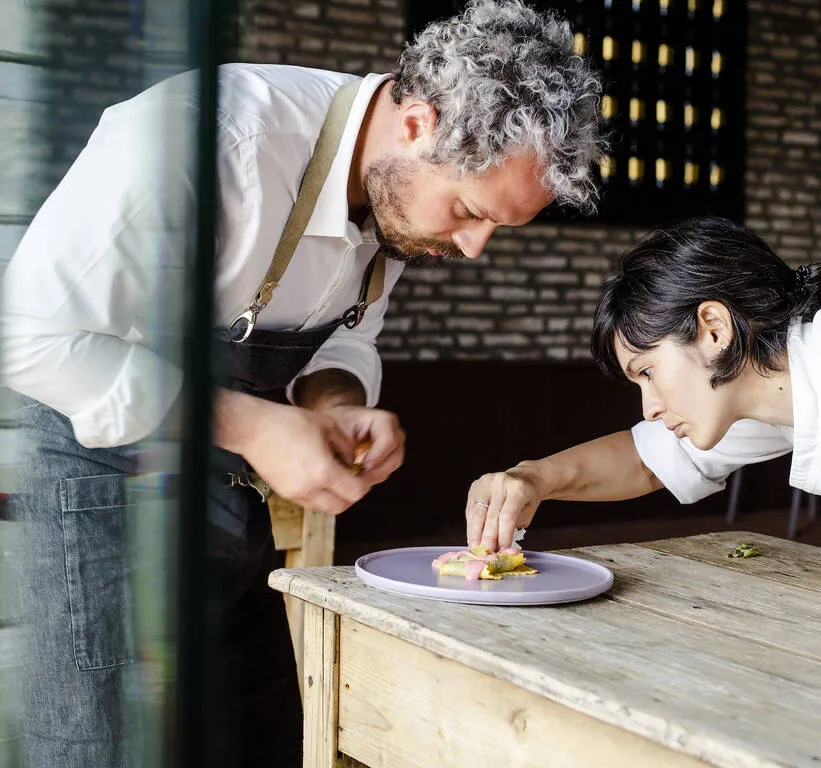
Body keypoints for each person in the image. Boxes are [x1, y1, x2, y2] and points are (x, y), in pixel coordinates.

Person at [0, 1, 604, 765]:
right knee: (98, 745)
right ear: (416, 123)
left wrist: (337, 404)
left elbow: (345, 334)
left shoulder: (394, 198)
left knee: (254, 733)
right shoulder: (207, 138)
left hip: (226, 492)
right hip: (98, 482)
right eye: (467, 213)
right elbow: (26, 334)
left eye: (494, 229)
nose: (474, 247)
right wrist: (254, 428)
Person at [465, 217, 821, 552]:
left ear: (713, 327)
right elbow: (646, 460)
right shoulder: (765, 407)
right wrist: (532, 478)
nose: (652, 408)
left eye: (649, 372)